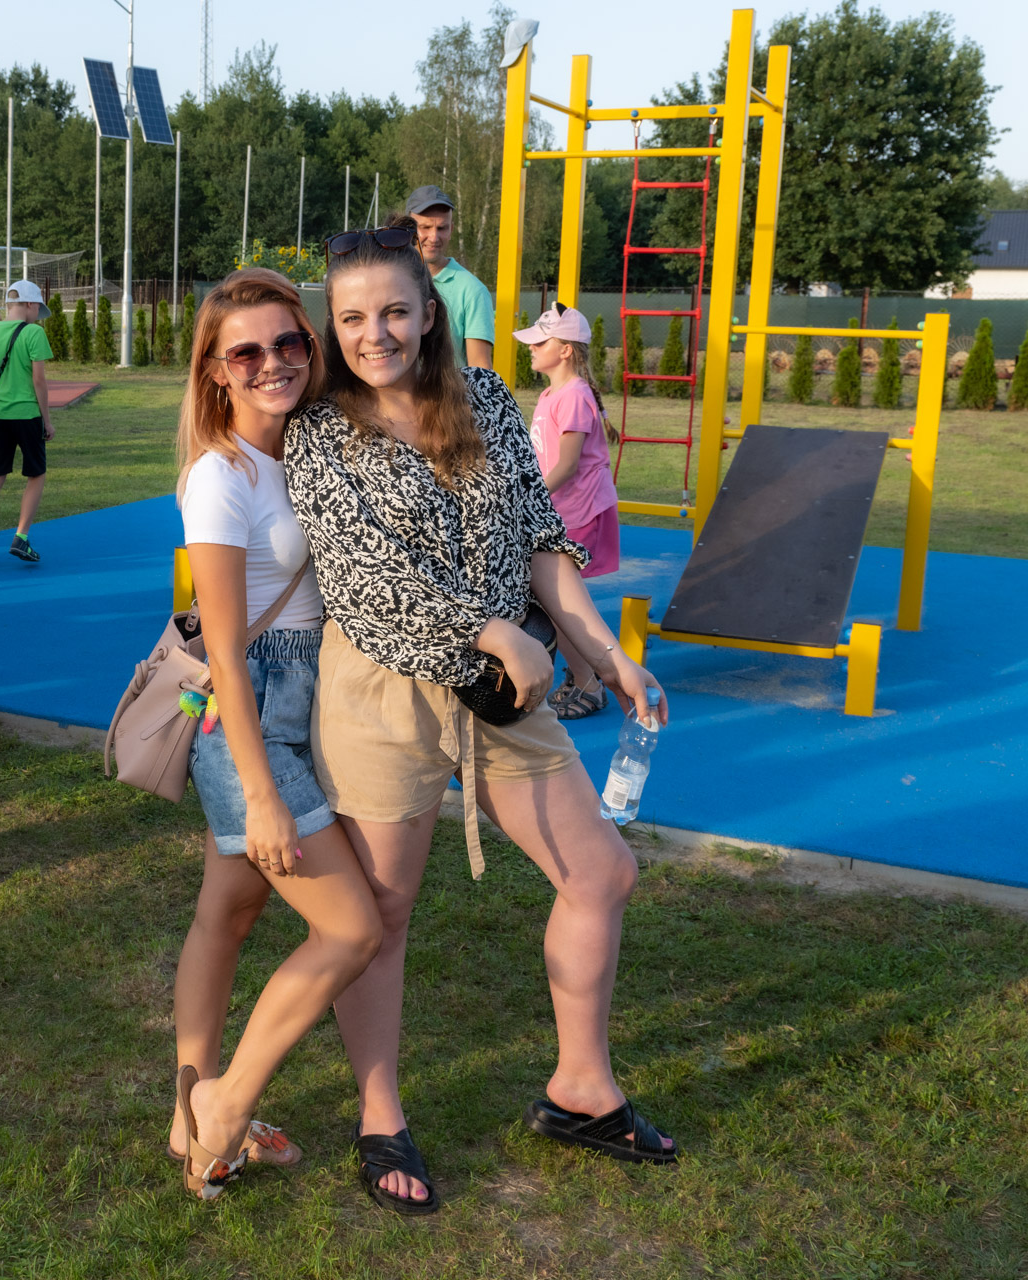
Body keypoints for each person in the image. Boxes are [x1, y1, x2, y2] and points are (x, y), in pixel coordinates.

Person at [284, 220, 676, 1210]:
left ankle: (580, 1088)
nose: (375, 333)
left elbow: (542, 538)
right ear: (332, 326)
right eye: (353, 318)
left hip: (510, 686)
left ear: (429, 312)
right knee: (382, 914)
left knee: (601, 872)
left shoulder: (487, 398)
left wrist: (604, 652)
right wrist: (493, 629)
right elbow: (364, 575)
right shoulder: (320, 428)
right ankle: (379, 1115)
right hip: (384, 689)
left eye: (394, 311)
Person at [165, 269, 383, 1201]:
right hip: (249, 717)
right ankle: (223, 1106)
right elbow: (223, 649)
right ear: (215, 370)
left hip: (307, 701)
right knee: (352, 928)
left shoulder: (312, 448)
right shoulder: (221, 477)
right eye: (245, 352)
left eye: (289, 342)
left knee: (228, 913)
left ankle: (185, 1115)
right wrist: (260, 792)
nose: (272, 363)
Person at [517, 303, 622, 720]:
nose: (531, 348)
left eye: (540, 342)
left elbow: (567, 465)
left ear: (565, 350)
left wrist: (529, 498)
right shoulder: (551, 394)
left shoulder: (575, 395)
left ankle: (589, 683)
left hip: (577, 511)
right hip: (557, 510)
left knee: (559, 600)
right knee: (551, 598)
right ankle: (582, 675)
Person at [0, 280, 54, 567]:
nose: (37, 315)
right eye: (37, 309)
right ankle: (21, 537)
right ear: (29, 304)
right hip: (27, 415)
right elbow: (39, 381)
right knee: (36, 474)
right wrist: (47, 420)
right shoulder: (34, 333)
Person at [405, 187, 494, 371]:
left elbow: (480, 369)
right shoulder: (388, 281)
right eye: (425, 227)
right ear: (407, 229)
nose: (434, 237)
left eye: (441, 228)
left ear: (451, 230)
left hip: (446, 390)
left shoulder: (472, 290)